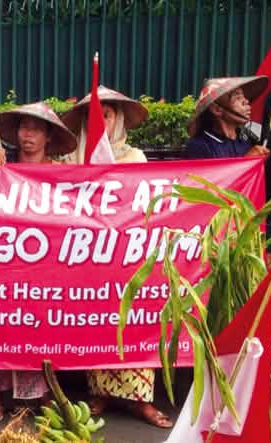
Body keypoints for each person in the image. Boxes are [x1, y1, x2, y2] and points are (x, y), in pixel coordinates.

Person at [58, 89, 174, 427]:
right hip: (86, 257)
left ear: (119, 120)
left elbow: (147, 205)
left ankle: (140, 400)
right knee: (100, 323)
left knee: (134, 322)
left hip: (128, 256)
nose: (101, 122)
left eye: (107, 115)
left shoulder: (135, 158)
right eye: (94, 116)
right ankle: (101, 392)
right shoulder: (68, 161)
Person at [0, 102, 76, 420]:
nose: (28, 134)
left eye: (35, 128)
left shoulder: (61, 175)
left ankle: (45, 394)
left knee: (43, 328)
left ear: (48, 136)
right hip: (3, 260)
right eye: (23, 127)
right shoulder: (1, 167)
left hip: (45, 265)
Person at [183, 76, 270, 159]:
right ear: (217, 110)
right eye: (238, 98)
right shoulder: (199, 146)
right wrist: (247, 160)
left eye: (244, 97)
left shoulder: (247, 140)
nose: (246, 101)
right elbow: (207, 175)